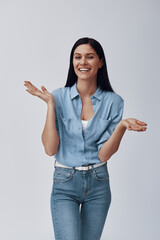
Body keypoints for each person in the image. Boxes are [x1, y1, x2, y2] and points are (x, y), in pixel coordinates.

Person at [24, 37, 147, 240]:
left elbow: (103, 154)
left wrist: (122, 126)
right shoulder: (58, 97)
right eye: (77, 57)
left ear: (100, 62)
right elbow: (50, 149)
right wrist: (50, 105)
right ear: (72, 62)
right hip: (65, 183)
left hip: (98, 183)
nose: (83, 62)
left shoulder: (114, 102)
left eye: (90, 57)